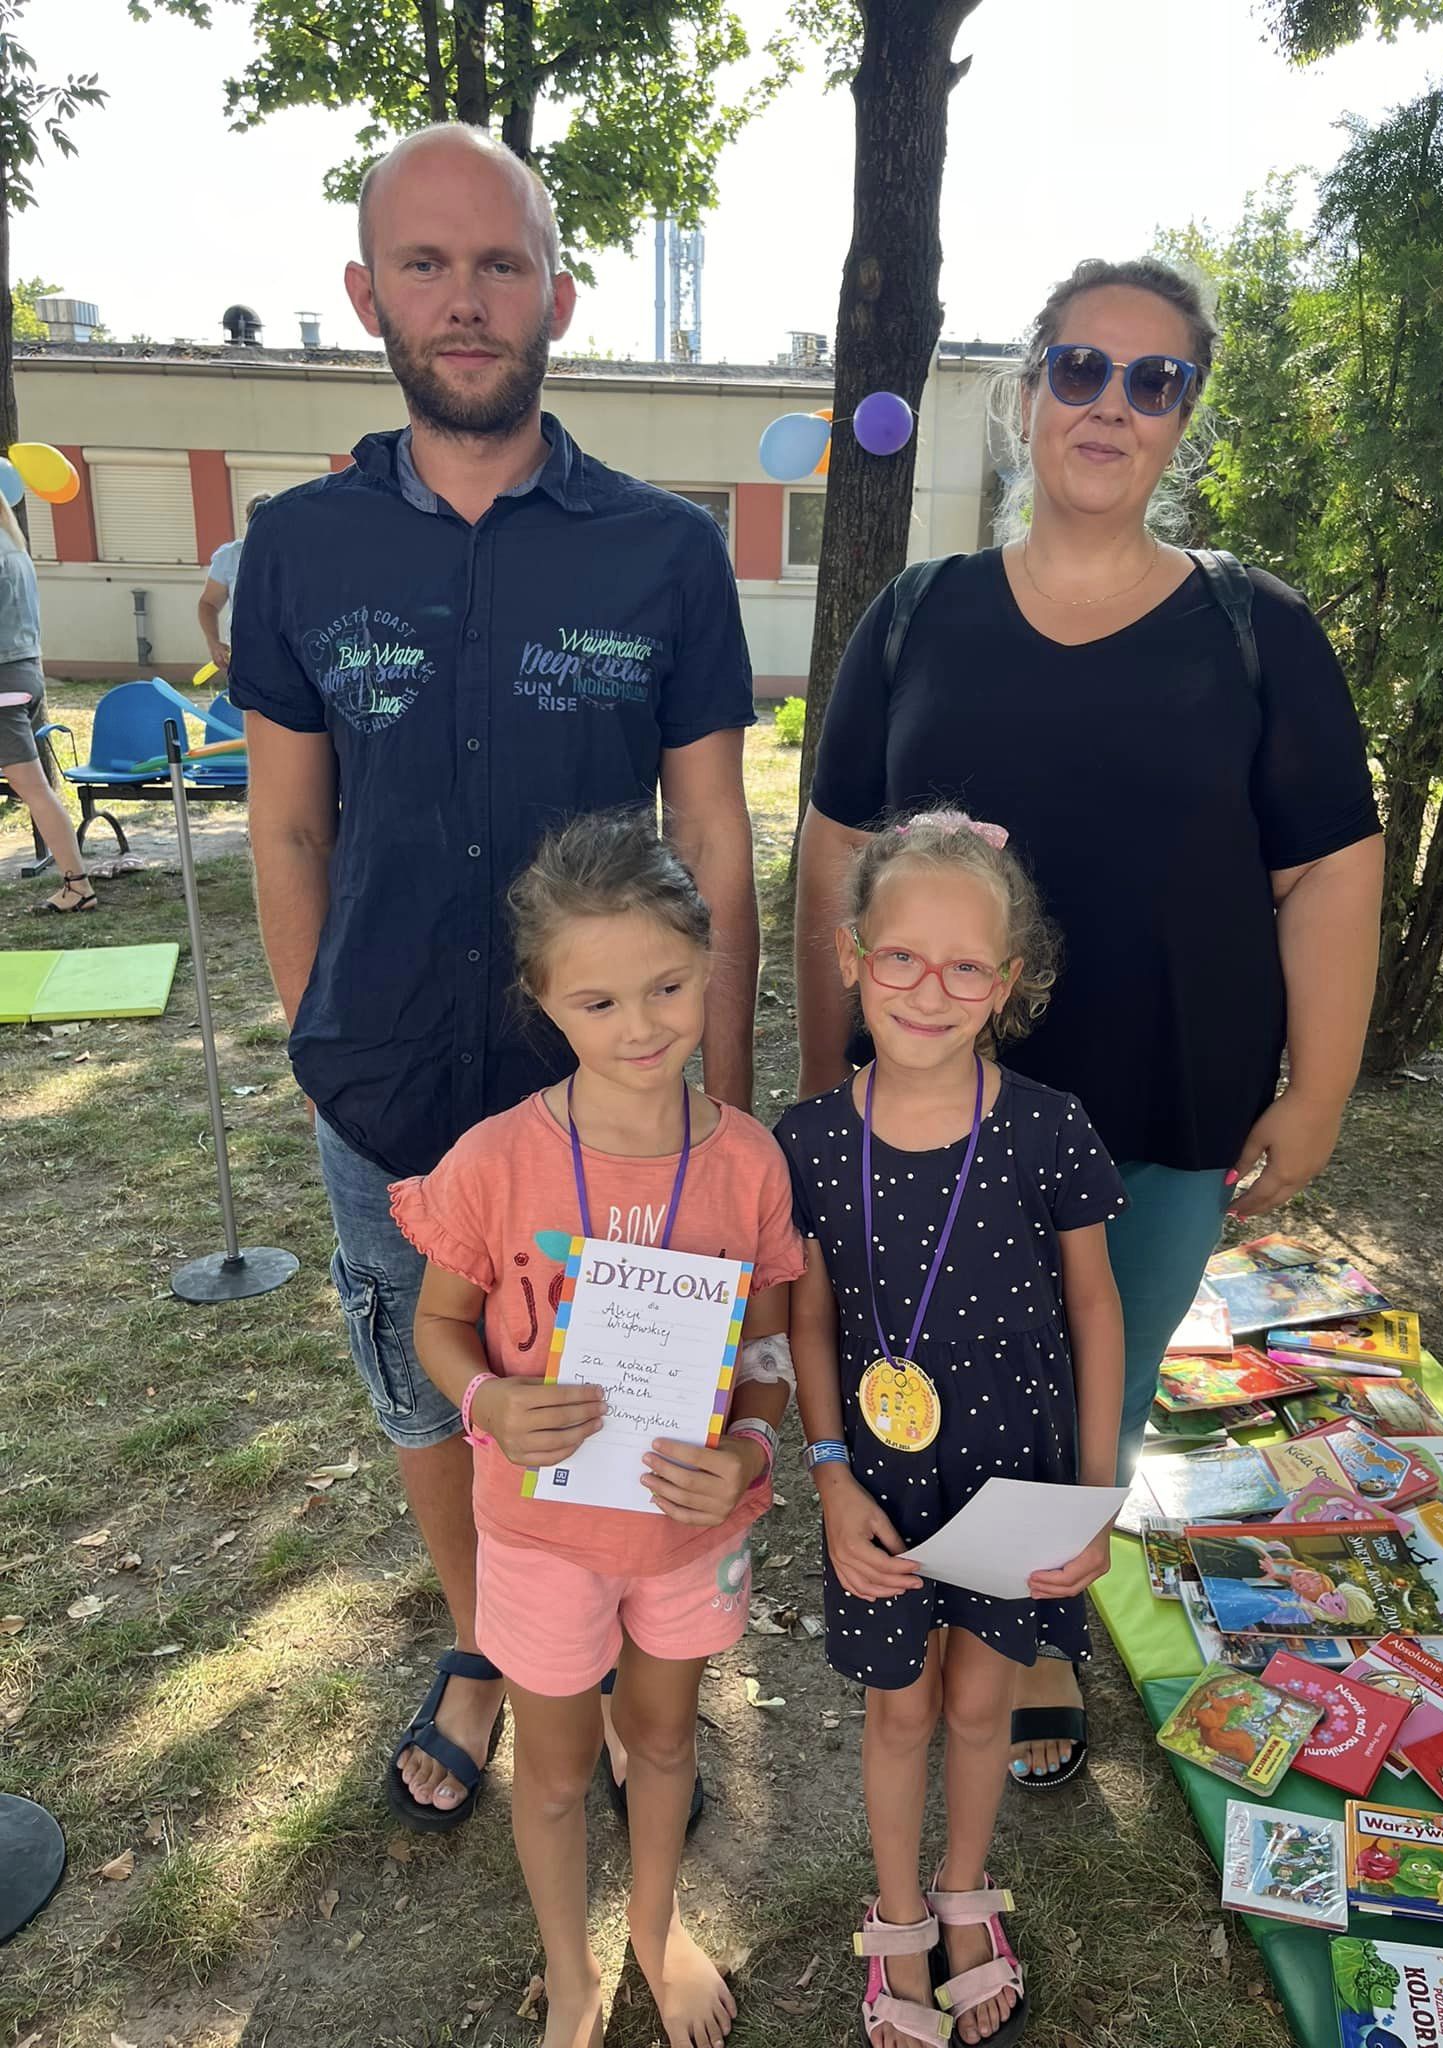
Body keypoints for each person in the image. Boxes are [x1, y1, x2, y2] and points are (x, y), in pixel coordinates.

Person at [229, 124, 760, 1831]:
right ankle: (492, 1644)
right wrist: (323, 1037)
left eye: (500, 265)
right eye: (427, 264)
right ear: (366, 292)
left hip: (616, 1094)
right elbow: (288, 825)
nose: (465, 301)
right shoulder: (296, 548)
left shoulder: (664, 552)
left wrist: (719, 1086)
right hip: (385, 1082)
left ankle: (620, 1644)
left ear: (557, 295)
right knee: (431, 1376)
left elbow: (713, 828)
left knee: (622, 1377)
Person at [793, 257, 1383, 1790]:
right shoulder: (917, 618)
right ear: (1027, 390)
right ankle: (925, 1602)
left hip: (1160, 1106)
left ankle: (1031, 1627)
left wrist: (1317, 1089)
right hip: (926, 1111)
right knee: (933, 1367)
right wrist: (813, 1081)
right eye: (1080, 368)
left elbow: (1329, 868)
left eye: (1153, 379)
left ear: (1186, 414)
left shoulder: (1257, 631)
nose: (1111, 404)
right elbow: (833, 853)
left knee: (1091, 1386)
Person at [393, 811, 803, 2048]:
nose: (641, 1026)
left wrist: (750, 1449)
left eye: (669, 985)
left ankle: (659, 1926)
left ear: (709, 962)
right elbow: (438, 1323)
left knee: (665, 1742)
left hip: (687, 1534)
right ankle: (572, 1966)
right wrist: (486, 1401)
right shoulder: (493, 1160)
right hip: (539, 1536)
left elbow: (769, 1351)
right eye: (599, 1000)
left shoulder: (749, 1164)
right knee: (559, 1768)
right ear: (543, 998)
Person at [778, 811, 1125, 2048]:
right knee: (901, 1710)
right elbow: (809, 1318)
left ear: (1008, 981)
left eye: (966, 965)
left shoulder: (1050, 1125)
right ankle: (896, 1911)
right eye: (901, 957)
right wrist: (828, 1472)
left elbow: (1096, 1305)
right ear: (850, 955)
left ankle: (966, 1890)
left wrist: (1094, 1492)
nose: (930, 989)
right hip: (878, 1487)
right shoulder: (808, 1141)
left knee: (983, 1704)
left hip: (1016, 1480)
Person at [0, 496, 96, 913]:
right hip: (23, 672)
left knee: (34, 789)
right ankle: (77, 884)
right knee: (34, 788)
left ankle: (78, 885)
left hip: (4, 680)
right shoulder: (13, 546)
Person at [196, 493, 273, 670]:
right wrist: (213, 642)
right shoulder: (230, 557)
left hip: (289, 656)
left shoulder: (294, 555)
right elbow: (208, 604)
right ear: (249, 522)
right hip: (245, 654)